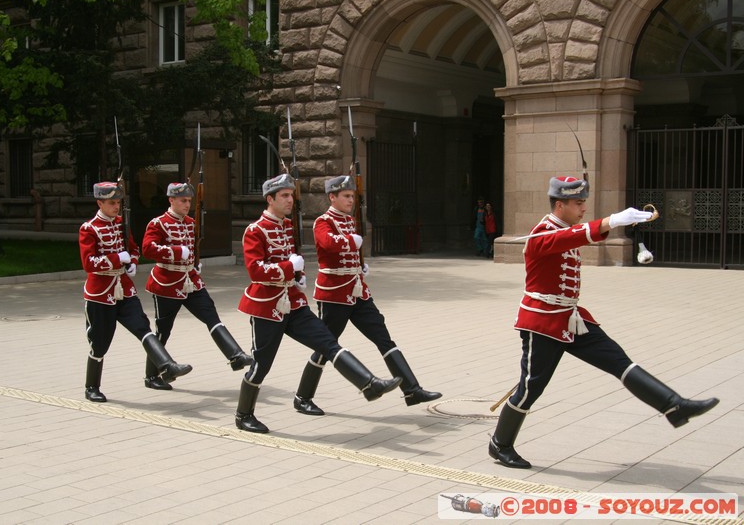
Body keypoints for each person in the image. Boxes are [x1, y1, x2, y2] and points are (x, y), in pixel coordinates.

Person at [488, 175, 719, 469]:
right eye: (578, 203)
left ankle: (674, 405)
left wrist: (613, 223)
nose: (584, 208)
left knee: (619, 361)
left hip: (571, 318)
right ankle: (500, 444)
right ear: (560, 205)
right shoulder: (542, 233)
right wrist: (610, 220)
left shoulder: (565, 227)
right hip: (543, 323)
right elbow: (570, 239)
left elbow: (581, 234)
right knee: (530, 388)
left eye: (584, 202)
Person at [235, 173, 402, 433]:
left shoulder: (287, 226)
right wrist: (288, 267)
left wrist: (298, 275)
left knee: (328, 343)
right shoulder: (255, 230)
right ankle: (243, 415)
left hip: (294, 303)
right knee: (261, 365)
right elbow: (256, 271)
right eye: (285, 196)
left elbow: (293, 258)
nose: (291, 200)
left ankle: (369, 384)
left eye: (291, 195)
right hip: (268, 308)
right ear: (270, 199)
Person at [293, 176, 441, 416]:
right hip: (334, 295)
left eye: (353, 196)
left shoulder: (350, 221)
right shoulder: (323, 221)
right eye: (346, 196)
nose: (351, 200)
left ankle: (412, 389)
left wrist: (359, 266)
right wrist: (350, 241)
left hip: (358, 291)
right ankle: (303, 397)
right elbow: (328, 244)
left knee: (383, 338)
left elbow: (352, 250)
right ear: (332, 197)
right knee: (325, 346)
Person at [79, 182, 192, 402]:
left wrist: (131, 260)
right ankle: (91, 386)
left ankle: (167, 365)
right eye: (111, 202)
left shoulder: (122, 223)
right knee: (100, 342)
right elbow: (88, 263)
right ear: (99, 202)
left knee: (143, 327)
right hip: (101, 294)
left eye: (118, 202)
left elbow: (133, 247)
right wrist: (116, 259)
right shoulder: (89, 228)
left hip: (125, 290)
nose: (116, 206)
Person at [141, 182, 253, 390]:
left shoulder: (191, 222)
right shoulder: (159, 223)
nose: (187, 204)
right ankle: (152, 375)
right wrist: (175, 252)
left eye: (189, 201)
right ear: (171, 200)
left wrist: (193, 263)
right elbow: (147, 249)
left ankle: (235, 355)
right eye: (183, 200)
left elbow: (193, 249)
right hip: (166, 283)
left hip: (190, 281)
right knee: (163, 330)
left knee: (211, 316)